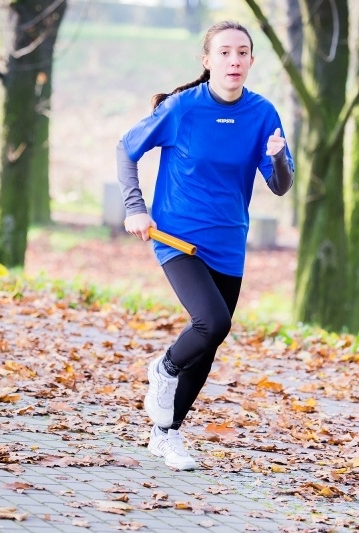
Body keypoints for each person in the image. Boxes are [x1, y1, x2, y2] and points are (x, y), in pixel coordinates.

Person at [116, 20, 294, 470]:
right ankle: (164, 369)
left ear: (251, 61)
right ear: (207, 60)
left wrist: (276, 157)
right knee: (211, 323)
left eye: (242, 53)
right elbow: (127, 148)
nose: (234, 60)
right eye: (225, 52)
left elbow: (280, 185)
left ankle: (165, 434)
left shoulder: (263, 113)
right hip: (177, 237)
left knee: (208, 343)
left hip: (228, 240)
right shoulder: (182, 109)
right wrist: (136, 206)